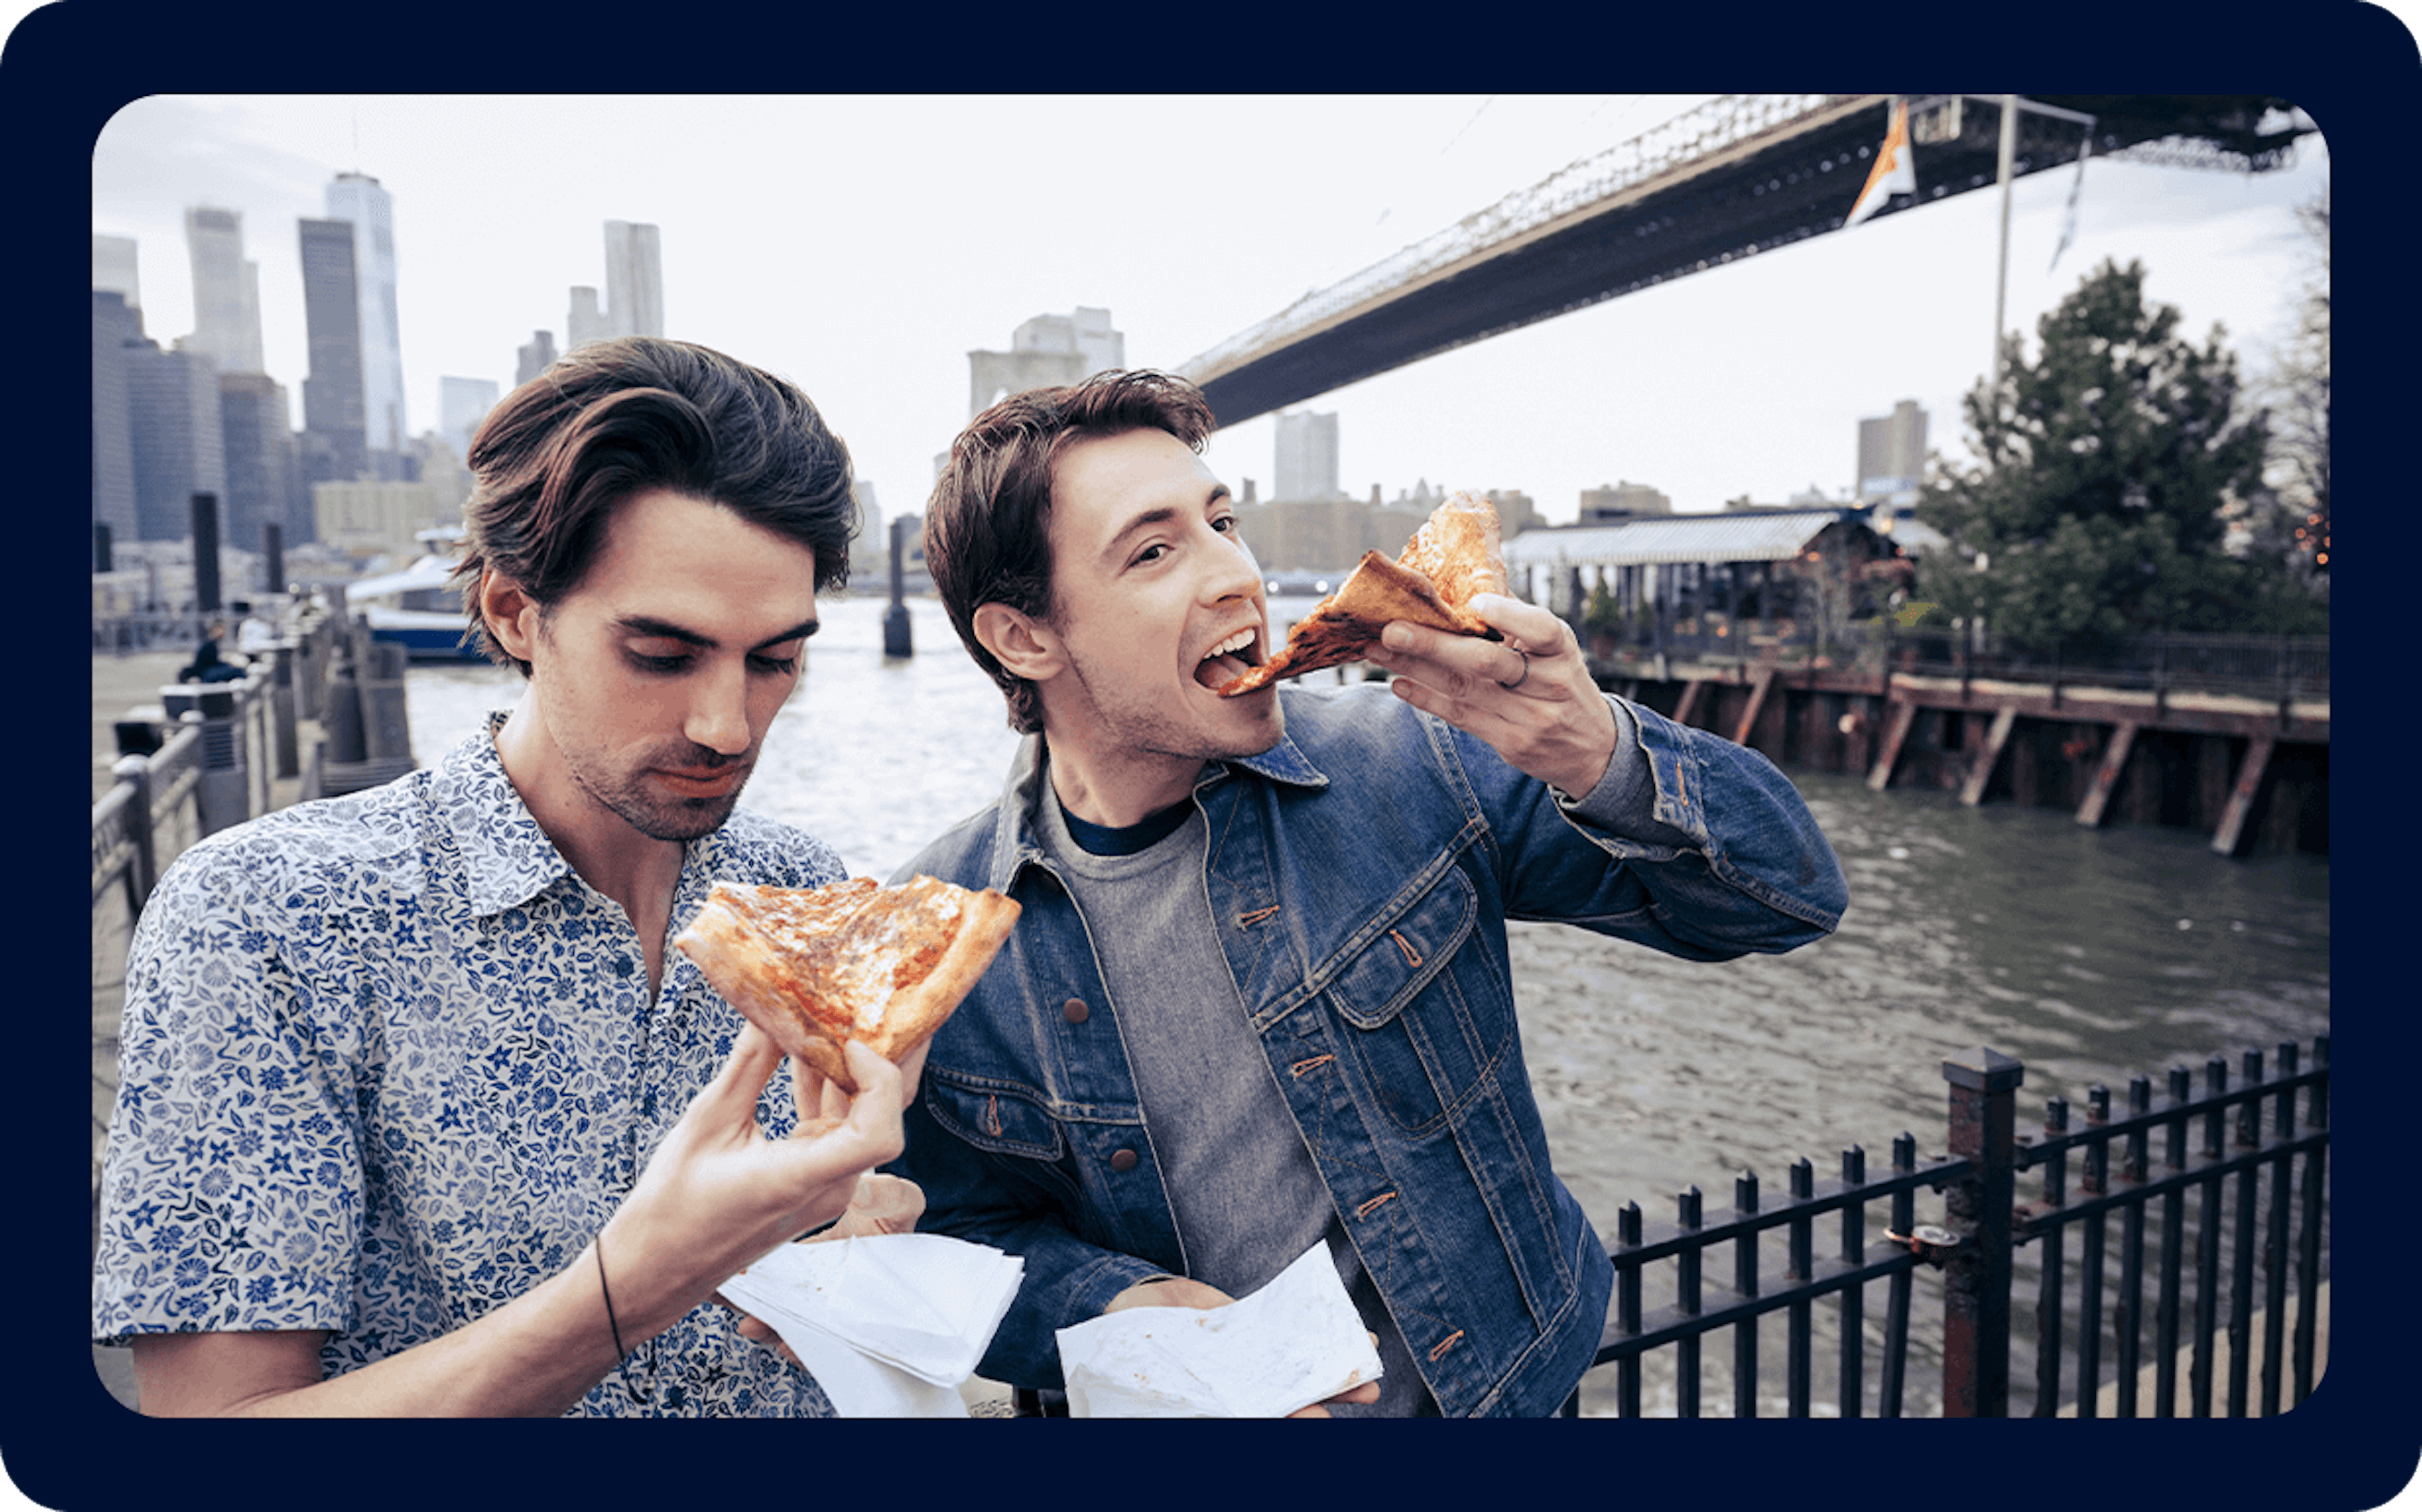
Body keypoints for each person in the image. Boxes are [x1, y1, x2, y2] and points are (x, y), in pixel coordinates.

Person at [893, 370, 1848, 1417]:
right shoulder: (936, 927)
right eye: (1156, 550)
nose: (1235, 577)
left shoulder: (1420, 763)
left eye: (1224, 522)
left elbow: (1788, 898)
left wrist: (1592, 747)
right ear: (1024, 636)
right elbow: (957, 1232)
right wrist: (1133, 1310)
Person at [92, 337, 918, 1417]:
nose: (728, 725)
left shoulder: (803, 887)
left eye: (775, 659)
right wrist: (632, 1287)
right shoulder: (267, 918)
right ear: (513, 612)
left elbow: (833, 1258)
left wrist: (854, 1238)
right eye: (662, 655)